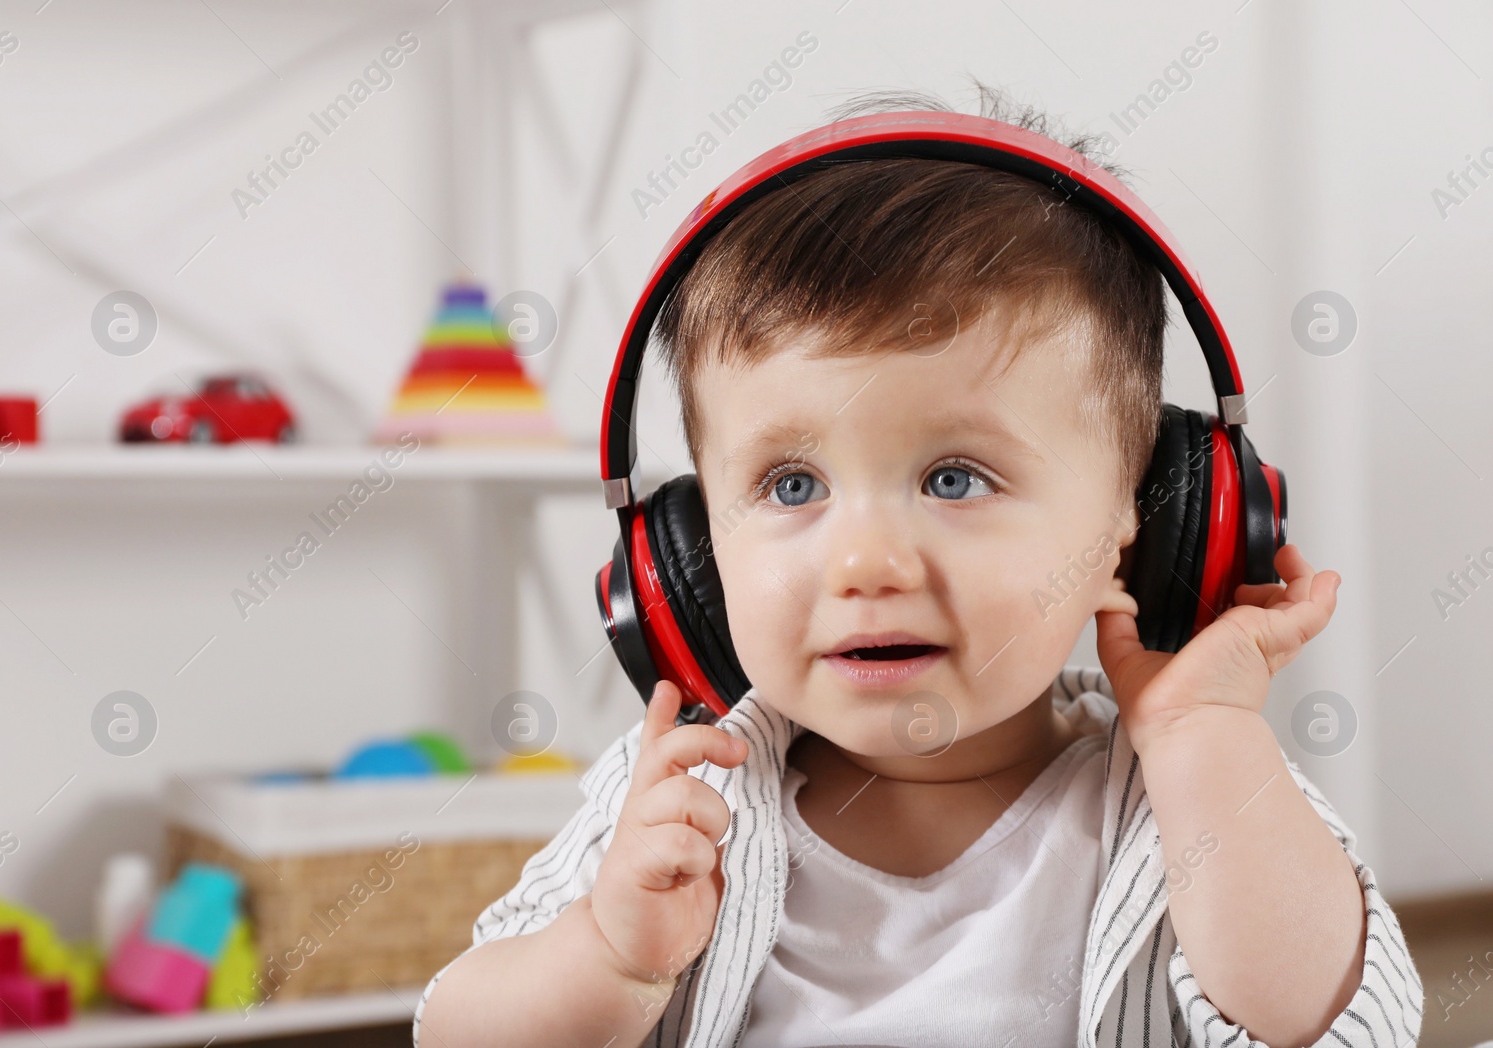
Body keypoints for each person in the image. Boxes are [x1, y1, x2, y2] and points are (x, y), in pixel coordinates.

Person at [412, 85, 1423, 1048]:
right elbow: (456, 1029)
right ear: (684, 549)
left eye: (953, 478)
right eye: (792, 486)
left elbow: (1330, 1024)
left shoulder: (1181, 787)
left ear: (1142, 519)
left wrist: (1204, 735)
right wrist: (607, 955)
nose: (865, 562)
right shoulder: (678, 802)